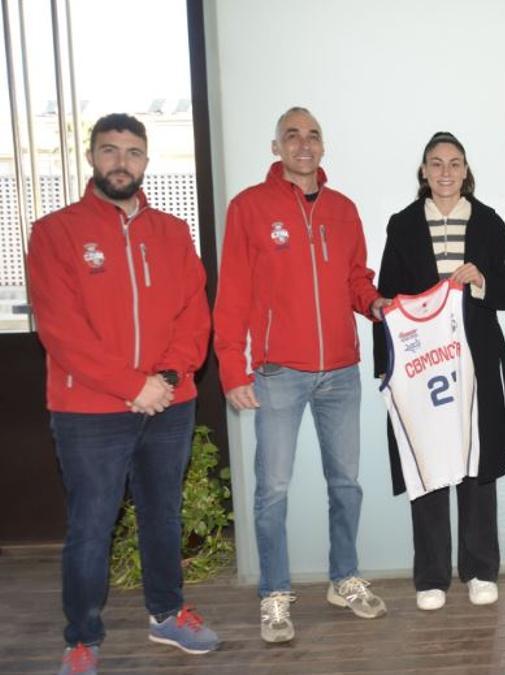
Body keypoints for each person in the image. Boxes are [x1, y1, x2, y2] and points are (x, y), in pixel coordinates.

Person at [27, 113, 219, 675]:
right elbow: (61, 329)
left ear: (145, 162)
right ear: (92, 157)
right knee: (91, 525)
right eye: (110, 151)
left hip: (168, 404)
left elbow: (194, 313)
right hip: (89, 411)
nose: (121, 162)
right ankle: (82, 637)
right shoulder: (55, 232)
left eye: (133, 152)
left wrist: (165, 379)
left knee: (163, 516)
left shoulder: (173, 233)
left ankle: (166, 613)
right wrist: (131, 385)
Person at [213, 106, 389, 644]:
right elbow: (233, 294)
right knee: (273, 489)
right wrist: (232, 368)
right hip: (277, 372)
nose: (304, 144)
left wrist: (378, 305)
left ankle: (343, 579)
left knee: (347, 486)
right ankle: (274, 591)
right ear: (277, 148)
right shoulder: (249, 208)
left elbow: (356, 279)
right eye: (293, 136)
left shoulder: (344, 209)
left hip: (340, 371)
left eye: (312, 135)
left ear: (323, 146)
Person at [372, 131, 505, 611]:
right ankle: (431, 576)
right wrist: (390, 371)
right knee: (429, 464)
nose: (445, 172)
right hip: (422, 366)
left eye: (454, 163)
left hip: (476, 360)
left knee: (477, 463)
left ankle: (481, 569)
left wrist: (481, 279)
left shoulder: (487, 221)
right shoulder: (402, 225)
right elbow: (387, 300)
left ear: (466, 170)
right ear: (423, 171)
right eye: (435, 163)